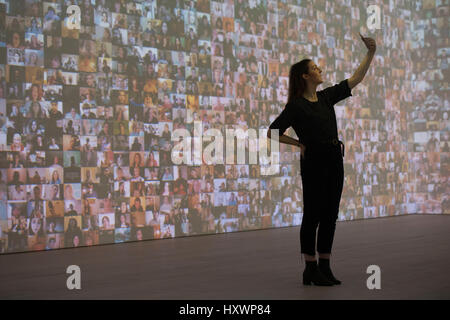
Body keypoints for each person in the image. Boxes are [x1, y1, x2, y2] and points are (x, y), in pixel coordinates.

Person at [267, 33, 376, 286]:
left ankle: (325, 266)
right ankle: (310, 267)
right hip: (314, 161)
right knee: (313, 214)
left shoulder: (326, 97)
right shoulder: (296, 106)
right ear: (305, 76)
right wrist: (299, 144)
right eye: (315, 68)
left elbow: (356, 79)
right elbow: (273, 133)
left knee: (330, 214)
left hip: (333, 159)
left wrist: (370, 53)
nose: (320, 69)